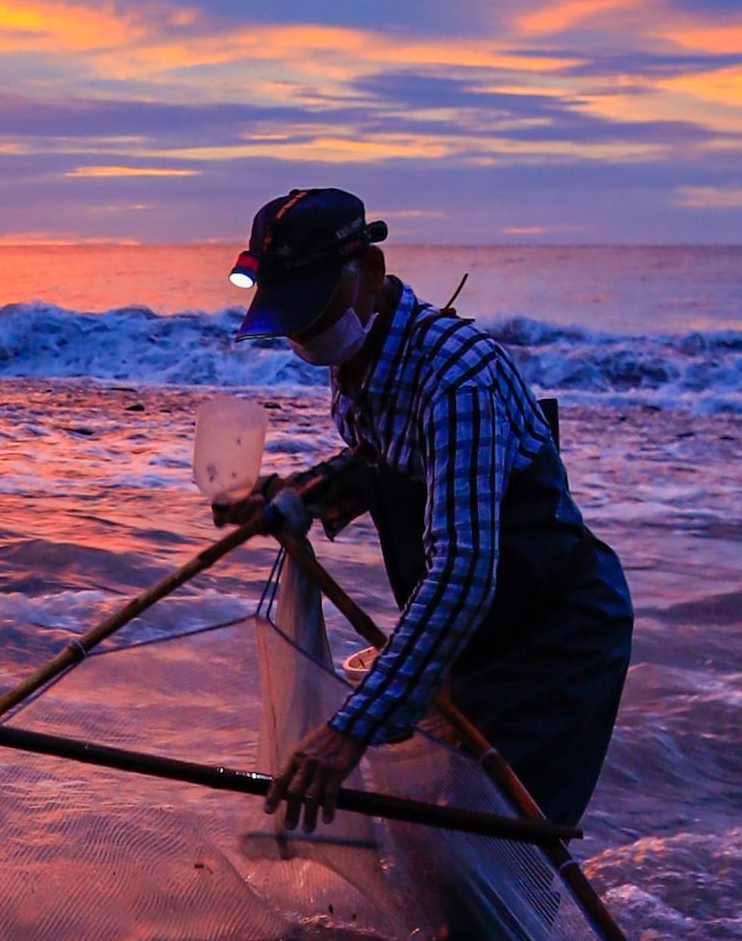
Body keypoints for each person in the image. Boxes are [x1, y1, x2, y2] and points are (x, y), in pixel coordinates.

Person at [219, 188, 632, 834]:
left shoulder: (456, 378)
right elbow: (385, 462)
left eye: (313, 308)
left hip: (553, 645)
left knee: (500, 843)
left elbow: (463, 567)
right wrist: (300, 497)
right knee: (432, 837)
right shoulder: (361, 360)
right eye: (290, 316)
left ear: (373, 275)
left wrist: (351, 728)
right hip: (472, 642)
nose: (302, 332)